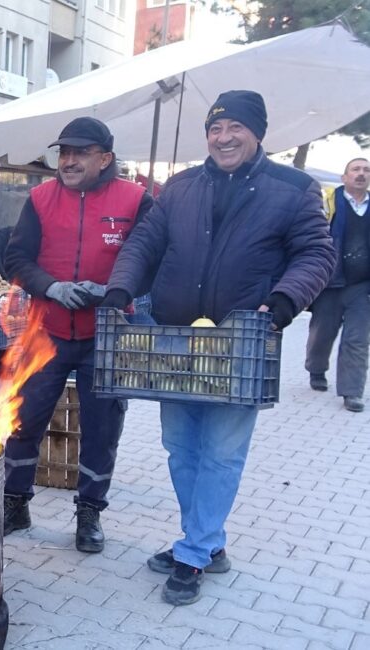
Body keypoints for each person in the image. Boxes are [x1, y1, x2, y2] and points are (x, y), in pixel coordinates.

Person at [102, 90, 336, 605]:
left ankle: (193, 552)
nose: (223, 138)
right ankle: (207, 542)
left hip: (241, 343)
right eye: (215, 129)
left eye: (235, 128)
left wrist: (281, 303)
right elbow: (145, 243)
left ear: (257, 132)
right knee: (181, 448)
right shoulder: (181, 187)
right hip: (175, 342)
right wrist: (121, 287)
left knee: (221, 453)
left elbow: (317, 254)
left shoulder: (293, 189)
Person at [2, 116, 152, 554]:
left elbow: (150, 261)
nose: (67, 160)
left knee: (102, 428)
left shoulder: (136, 200)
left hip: (105, 333)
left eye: (79, 152)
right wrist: (51, 287)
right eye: (63, 152)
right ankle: (15, 502)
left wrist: (114, 291)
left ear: (105, 158)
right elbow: (16, 257)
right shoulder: (40, 197)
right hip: (46, 330)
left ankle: (90, 513)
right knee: (24, 420)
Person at [305, 157, 370, 412]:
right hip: (329, 282)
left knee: (357, 339)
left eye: (366, 170)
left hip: (362, 286)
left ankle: (352, 392)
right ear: (344, 177)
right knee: (322, 333)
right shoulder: (328, 202)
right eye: (356, 169)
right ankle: (316, 369)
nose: (361, 174)